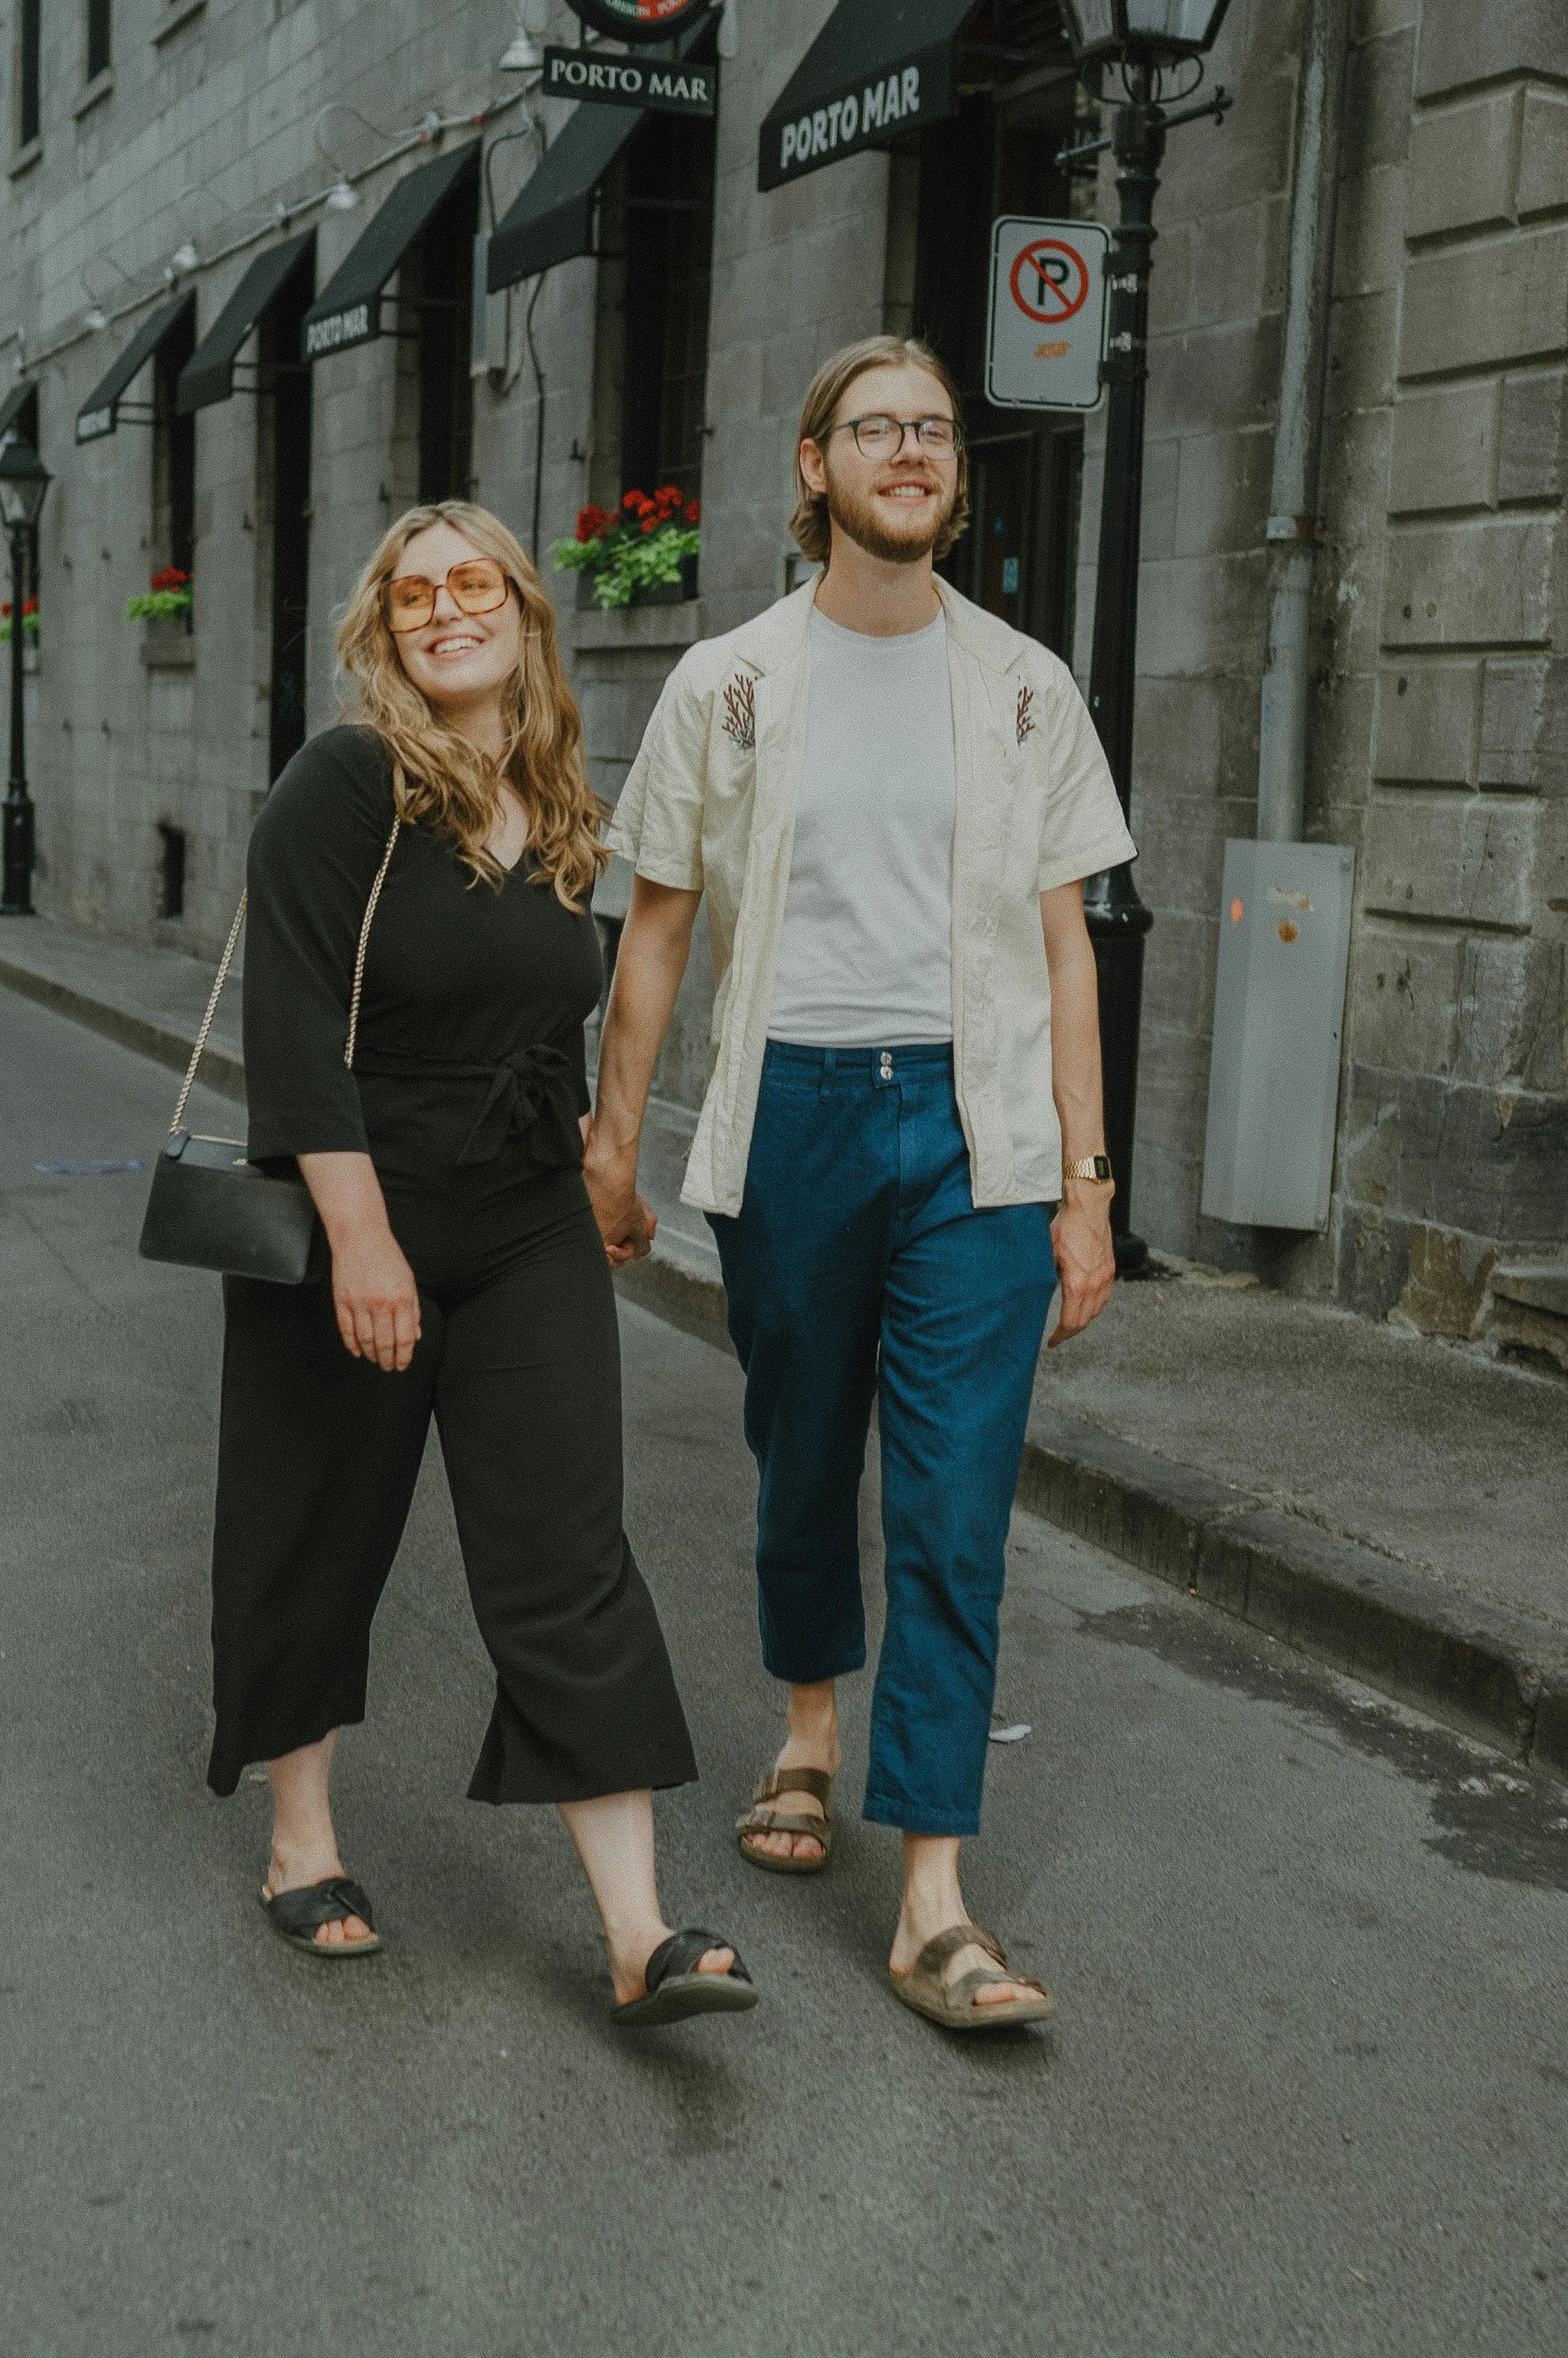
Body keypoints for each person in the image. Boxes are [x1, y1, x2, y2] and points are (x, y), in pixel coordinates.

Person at [584, 337, 1135, 2032]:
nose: (915, 449)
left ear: (955, 477)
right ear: (814, 466)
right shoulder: (727, 683)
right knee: (802, 1447)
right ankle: (809, 1729)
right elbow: (658, 923)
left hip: (979, 1137)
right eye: (878, 426)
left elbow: (1065, 941)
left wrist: (1089, 1180)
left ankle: (935, 1901)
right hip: (797, 1114)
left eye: (937, 430)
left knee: (957, 1508)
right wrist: (615, 1140)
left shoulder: (1029, 684)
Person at [207, 500, 755, 2027]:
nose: (443, 610)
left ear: (522, 610)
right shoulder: (343, 785)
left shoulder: (552, 793)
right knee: (325, 1522)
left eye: (473, 585)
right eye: (411, 595)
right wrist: (363, 1243)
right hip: (355, 1212)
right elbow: (295, 1031)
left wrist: (599, 1159)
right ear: (381, 632)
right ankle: (300, 1841)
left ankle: (638, 1931)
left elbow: (543, 1015)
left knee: (566, 1550)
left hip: (523, 1225)